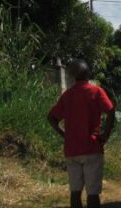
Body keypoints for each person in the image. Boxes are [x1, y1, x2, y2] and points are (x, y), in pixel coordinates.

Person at [48, 59, 116, 208]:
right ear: (88, 74)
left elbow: (51, 118)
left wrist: (65, 135)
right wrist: (105, 135)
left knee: (75, 192)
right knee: (92, 193)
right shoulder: (96, 91)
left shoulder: (67, 95)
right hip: (92, 148)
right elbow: (111, 110)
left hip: (72, 150)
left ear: (72, 76)